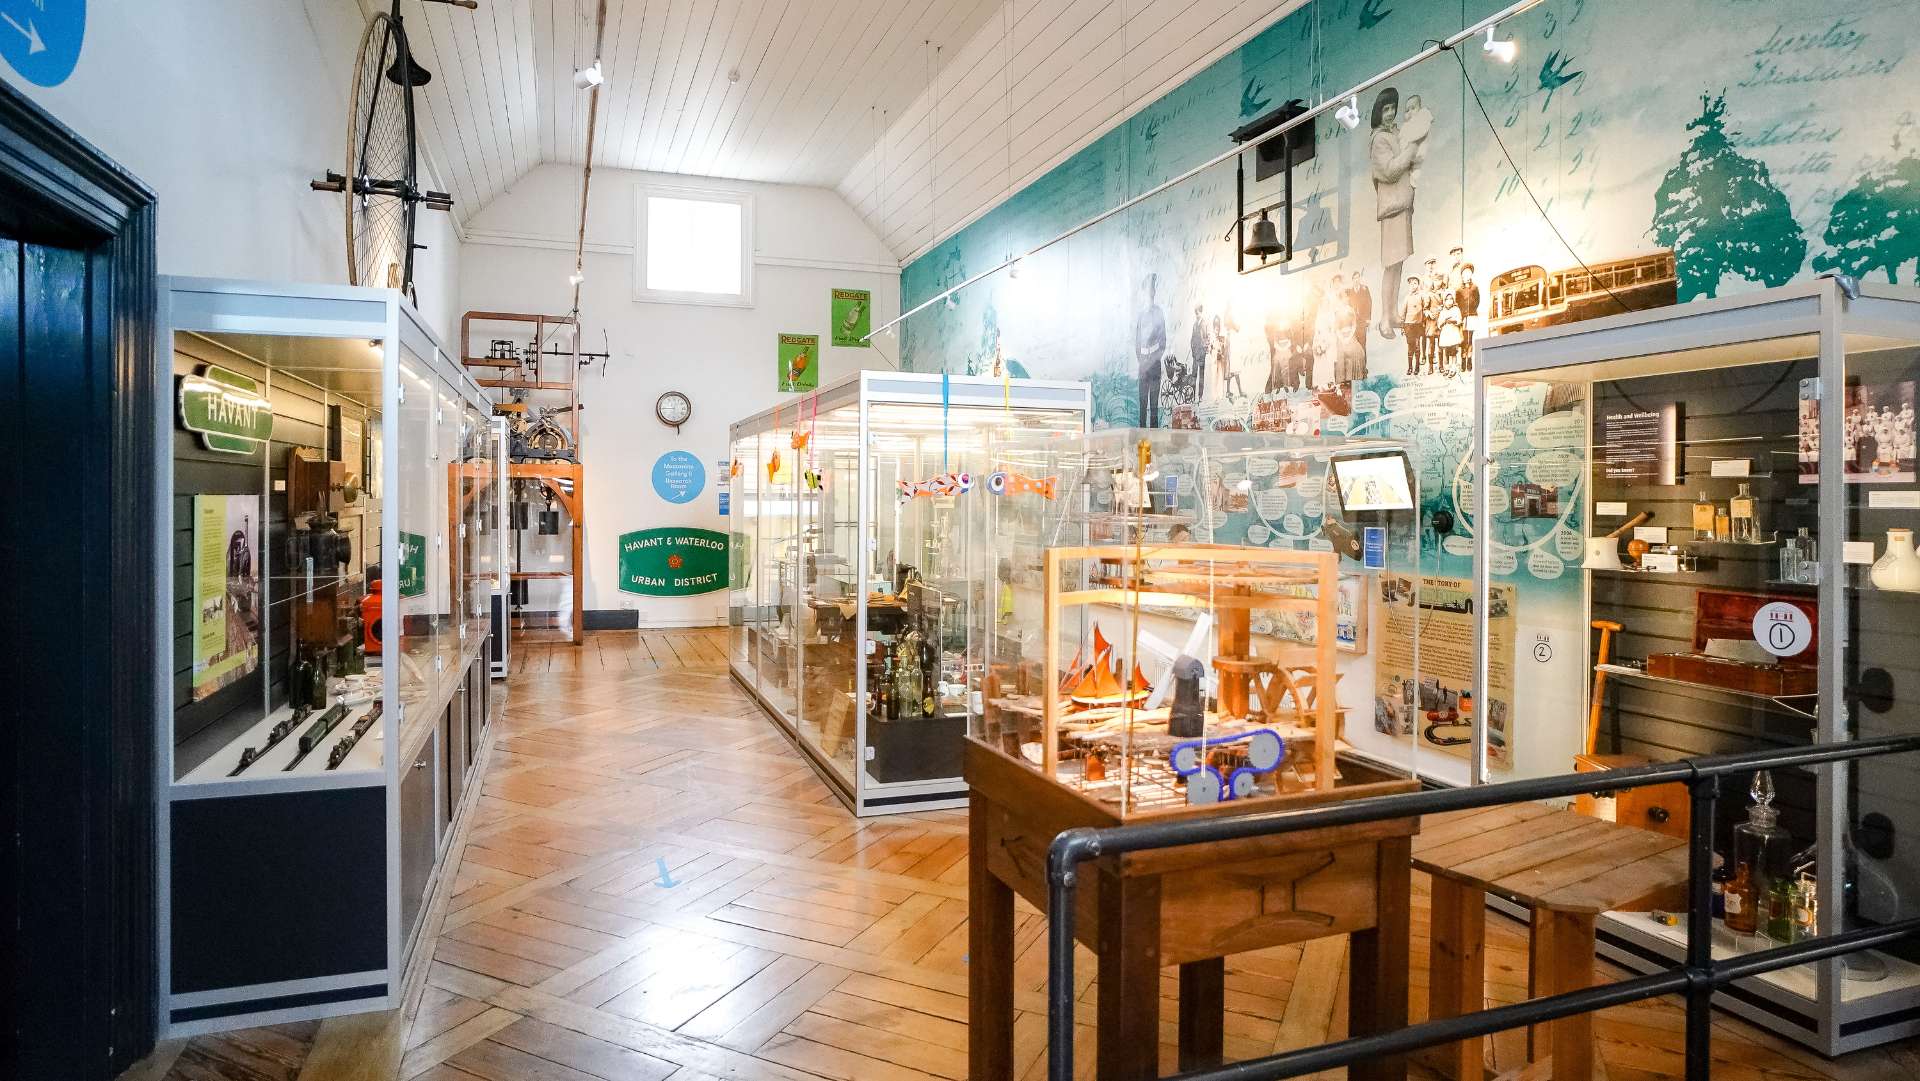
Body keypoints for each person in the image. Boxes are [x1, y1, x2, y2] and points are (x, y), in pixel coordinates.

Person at [1369, 87, 1423, 341]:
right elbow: (1390, 170)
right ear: (1378, 112)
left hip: (1401, 203)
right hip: (1392, 207)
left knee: (1399, 262)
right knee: (1391, 263)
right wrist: (1410, 152)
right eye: (1386, 109)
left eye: (1393, 108)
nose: (1390, 113)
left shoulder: (1396, 133)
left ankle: (1391, 313)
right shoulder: (1379, 139)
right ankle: (1384, 317)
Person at [1135, 274, 1167, 426]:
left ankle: (1155, 443)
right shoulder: (1141, 315)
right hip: (1143, 365)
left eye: (1151, 290)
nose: (1149, 293)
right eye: (1148, 290)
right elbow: (1137, 342)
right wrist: (1142, 360)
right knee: (1142, 405)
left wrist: (1154, 358)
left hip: (1154, 365)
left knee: (1154, 407)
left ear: (1153, 293)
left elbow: (1163, 342)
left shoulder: (1158, 312)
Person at [1401, 94, 1435, 187]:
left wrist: (1408, 139)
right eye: (1407, 110)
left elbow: (1422, 131)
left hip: (1420, 154)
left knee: (1418, 171)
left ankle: (1415, 179)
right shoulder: (1407, 126)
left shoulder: (1422, 117)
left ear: (1419, 108)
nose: (1410, 112)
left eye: (1413, 108)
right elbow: (1401, 139)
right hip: (1411, 158)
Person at [1454, 263, 1482, 373]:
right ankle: (1463, 360)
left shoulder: (1475, 288)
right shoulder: (1458, 290)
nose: (1467, 276)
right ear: (1462, 275)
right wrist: (1462, 316)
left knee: (1470, 339)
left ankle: (1469, 361)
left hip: (1472, 317)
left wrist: (1472, 312)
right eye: (1465, 274)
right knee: (1463, 340)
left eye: (1469, 273)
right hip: (1462, 318)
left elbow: (1477, 301)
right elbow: (1457, 303)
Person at [1399, 275, 1426, 375]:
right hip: (1409, 326)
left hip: (1418, 326)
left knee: (1417, 347)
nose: (1413, 285)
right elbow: (1403, 314)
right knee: (1410, 348)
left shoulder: (1421, 296)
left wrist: (1423, 321)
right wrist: (1402, 327)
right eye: (1411, 283)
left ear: (1418, 285)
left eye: (1415, 283)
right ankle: (1410, 367)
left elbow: (1424, 308)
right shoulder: (1407, 298)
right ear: (1409, 285)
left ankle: (1417, 367)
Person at [1436, 294, 1464, 376]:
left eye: (1451, 299)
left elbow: (1459, 320)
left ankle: (1453, 368)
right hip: (1445, 333)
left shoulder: (1456, 309)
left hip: (1453, 333)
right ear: (1444, 301)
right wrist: (1444, 321)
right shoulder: (1442, 311)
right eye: (1447, 299)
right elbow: (1439, 324)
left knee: (1453, 352)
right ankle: (1446, 368)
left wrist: (1452, 321)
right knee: (1445, 352)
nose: (1449, 301)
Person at [1189, 302, 1211, 401]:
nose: (1197, 315)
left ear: (1201, 312)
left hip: (1202, 354)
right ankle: (1193, 396)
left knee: (1201, 376)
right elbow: (1192, 338)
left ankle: (1200, 396)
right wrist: (1193, 350)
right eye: (1195, 313)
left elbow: (1208, 337)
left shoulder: (1205, 323)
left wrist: (1205, 349)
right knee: (1194, 375)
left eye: (1198, 313)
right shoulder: (1194, 325)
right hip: (1195, 354)